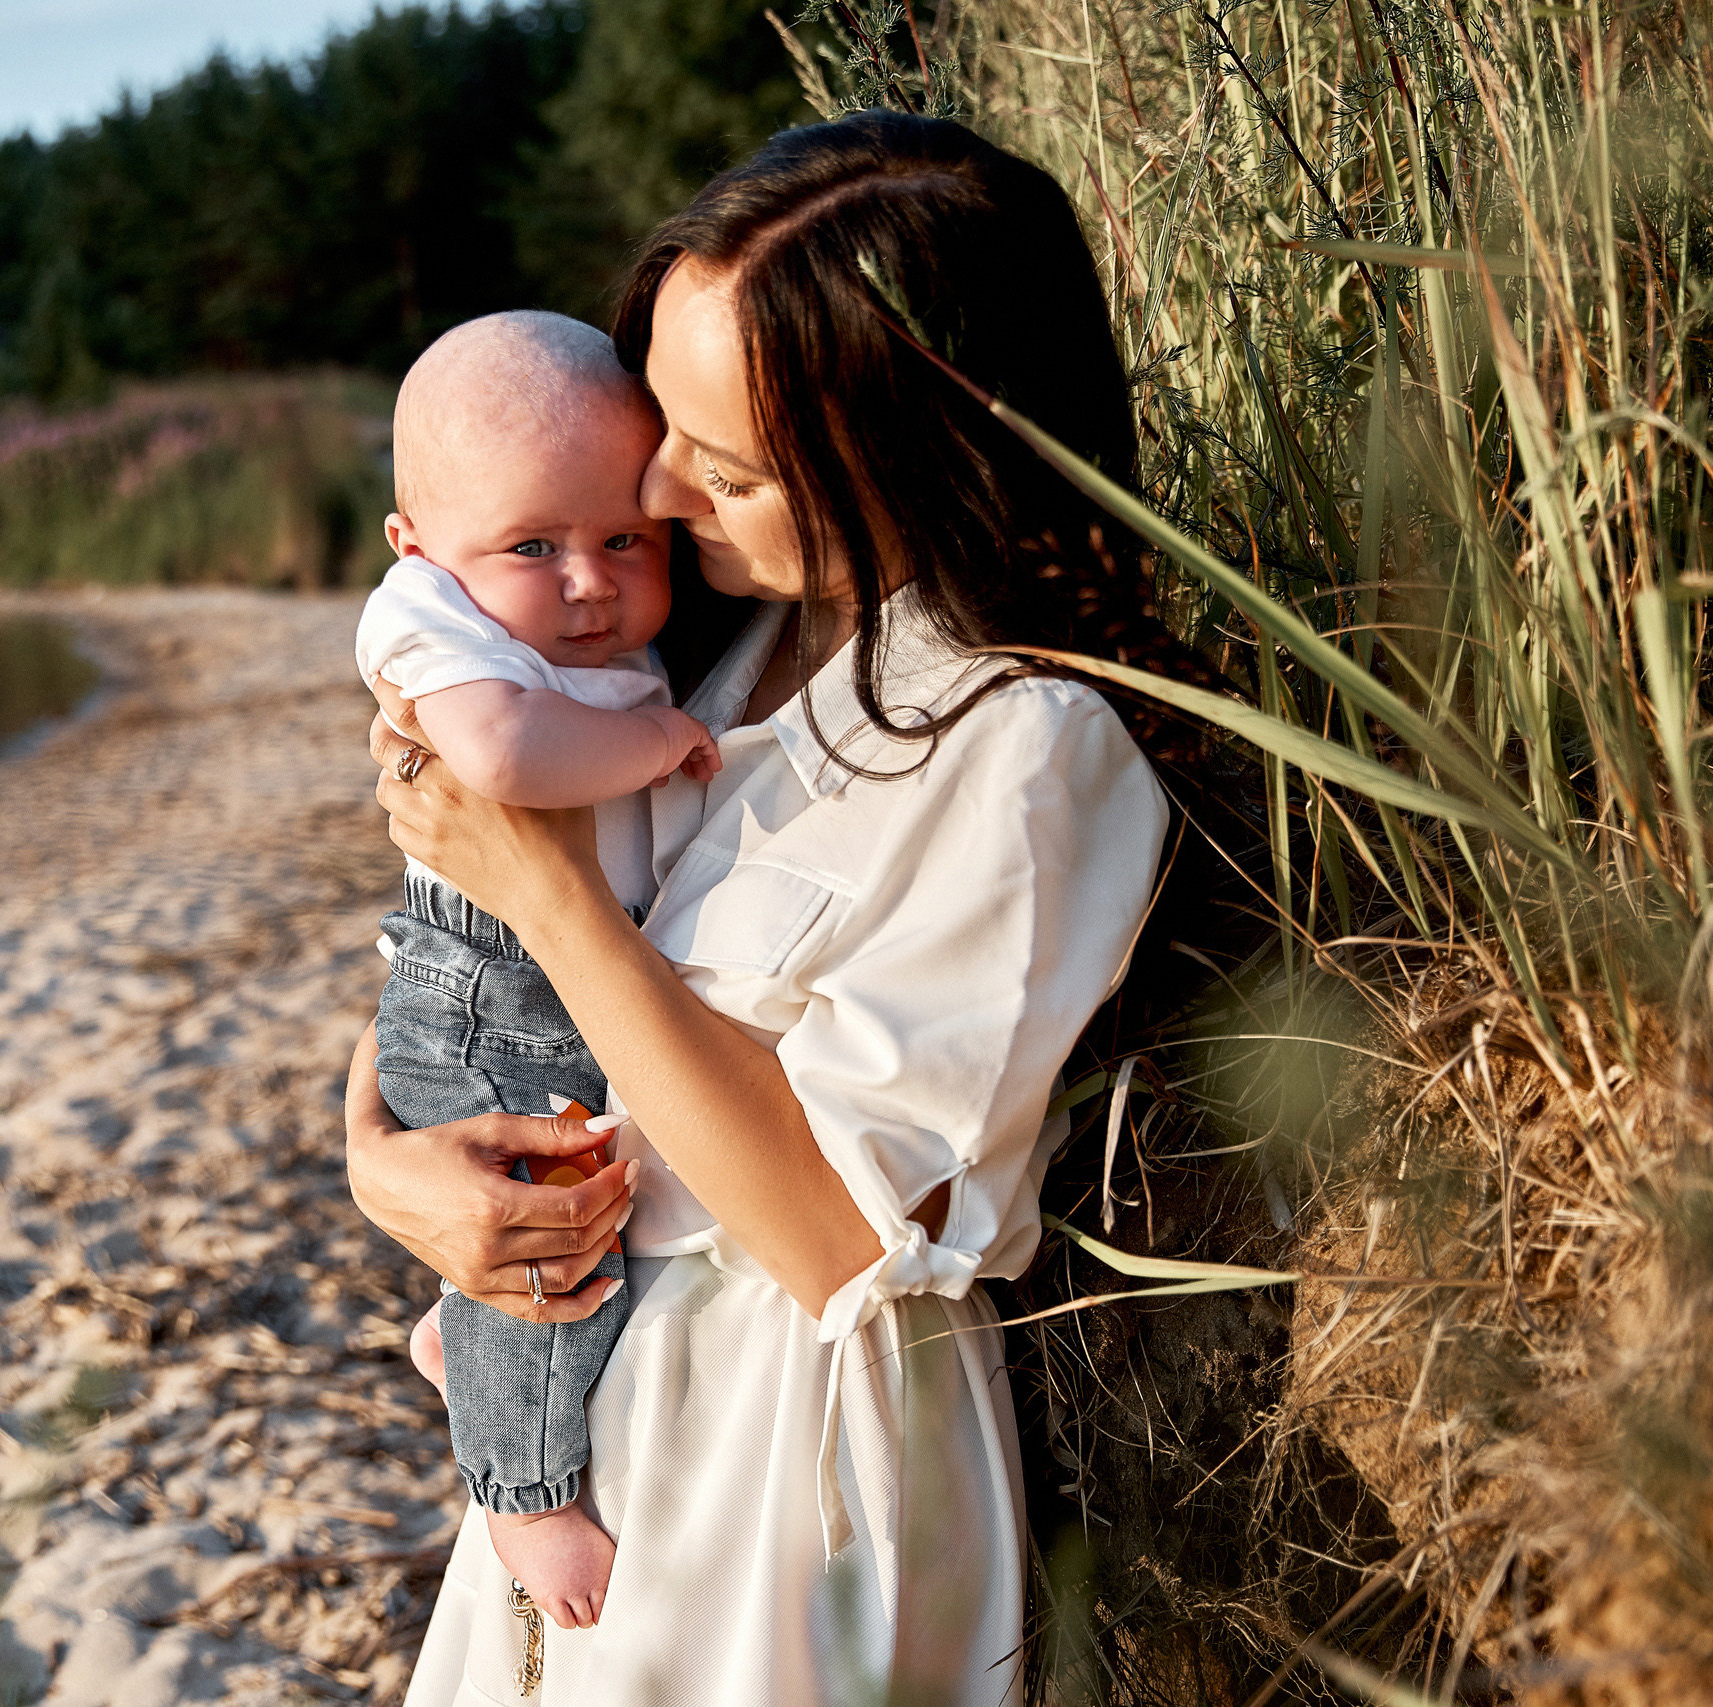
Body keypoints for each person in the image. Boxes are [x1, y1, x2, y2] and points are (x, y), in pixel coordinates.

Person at [347, 110, 1215, 1705]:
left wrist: (552, 896)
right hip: (567, 1404)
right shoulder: (688, 653)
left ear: (912, 444)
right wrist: (387, 1164)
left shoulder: (1025, 755)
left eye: (724, 461)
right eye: (660, 425)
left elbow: (839, 1238)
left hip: (776, 1460)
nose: (660, 490)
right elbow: (451, 947)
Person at [357, 309, 721, 1632]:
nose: (588, 582)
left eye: (624, 538)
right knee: (556, 1236)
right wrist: (662, 742)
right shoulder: (428, 626)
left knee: (562, 1224)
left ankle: (469, 1339)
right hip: (490, 993)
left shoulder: (585, 633)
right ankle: (520, 1488)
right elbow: (505, 763)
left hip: (547, 978)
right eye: (535, 548)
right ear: (422, 549)